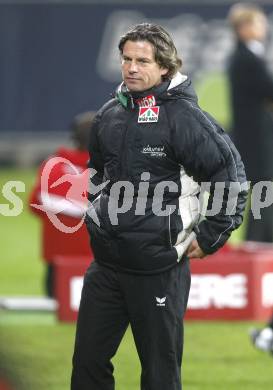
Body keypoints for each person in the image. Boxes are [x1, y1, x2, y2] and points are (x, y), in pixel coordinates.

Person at [71, 23, 247, 389]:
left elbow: (230, 174)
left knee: (159, 375)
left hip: (159, 267)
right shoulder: (108, 114)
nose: (132, 68)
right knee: (87, 366)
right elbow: (97, 173)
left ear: (165, 66)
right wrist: (98, 215)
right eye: (126, 59)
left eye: (142, 61)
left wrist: (213, 233)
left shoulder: (184, 117)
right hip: (106, 266)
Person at [227, 3, 273, 355]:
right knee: (264, 190)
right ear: (244, 28)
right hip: (257, 139)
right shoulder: (247, 58)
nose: (264, 27)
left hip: (257, 136)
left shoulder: (247, 56)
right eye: (258, 23)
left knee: (264, 191)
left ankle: (261, 241)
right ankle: (259, 245)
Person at [29, 111, 95, 298]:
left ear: (73, 137)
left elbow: (34, 206)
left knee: (57, 309)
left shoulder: (53, 166)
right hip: (100, 261)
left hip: (57, 258)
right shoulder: (114, 169)